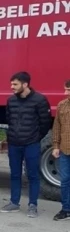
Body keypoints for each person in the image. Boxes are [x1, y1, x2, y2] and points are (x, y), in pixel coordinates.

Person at [0, 71, 51, 217]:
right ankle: (14, 203)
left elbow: (45, 123)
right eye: (11, 84)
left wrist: (35, 138)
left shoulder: (40, 100)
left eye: (15, 84)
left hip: (31, 144)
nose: (12, 87)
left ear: (25, 84)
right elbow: (9, 119)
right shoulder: (11, 101)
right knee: (15, 174)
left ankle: (32, 205)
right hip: (14, 144)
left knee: (32, 175)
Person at [51, 80, 70, 221]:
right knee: (65, 181)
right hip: (65, 149)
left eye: (68, 90)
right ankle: (66, 209)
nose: (65, 93)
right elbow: (57, 127)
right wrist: (56, 146)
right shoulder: (62, 105)